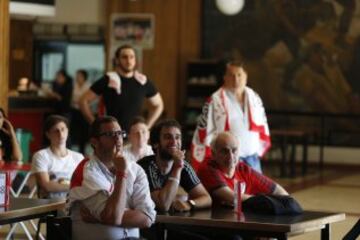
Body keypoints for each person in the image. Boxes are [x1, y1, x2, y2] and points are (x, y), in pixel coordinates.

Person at [68, 116, 156, 240]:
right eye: (110, 134)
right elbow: (113, 217)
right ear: (94, 142)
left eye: (119, 133)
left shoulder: (135, 169)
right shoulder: (86, 170)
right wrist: (121, 174)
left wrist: (99, 219)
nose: (117, 138)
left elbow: (148, 218)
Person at [191, 61, 271, 173]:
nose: (236, 79)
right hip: (228, 159)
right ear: (225, 78)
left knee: (256, 190)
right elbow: (204, 131)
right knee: (230, 190)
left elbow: (262, 124)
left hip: (253, 158)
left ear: (246, 76)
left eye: (239, 75)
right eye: (231, 75)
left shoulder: (254, 97)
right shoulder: (215, 100)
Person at [80, 44, 164, 132]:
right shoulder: (108, 80)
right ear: (117, 60)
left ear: (135, 60)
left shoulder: (142, 81)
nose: (129, 61)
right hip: (111, 133)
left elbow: (159, 105)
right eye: (124, 57)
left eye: (132, 57)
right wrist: (95, 124)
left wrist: (147, 127)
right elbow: (83, 101)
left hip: (135, 135)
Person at [138, 119, 211, 212]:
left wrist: (189, 203)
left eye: (177, 137)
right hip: (141, 223)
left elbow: (207, 198)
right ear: (156, 144)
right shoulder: (146, 166)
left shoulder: (183, 166)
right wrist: (177, 168)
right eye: (168, 137)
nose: (174, 142)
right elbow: (163, 205)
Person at [198, 132, 288, 207]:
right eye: (224, 151)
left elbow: (279, 192)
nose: (230, 156)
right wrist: (266, 202)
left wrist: (286, 203)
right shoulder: (208, 168)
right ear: (213, 154)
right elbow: (232, 197)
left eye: (234, 150)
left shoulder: (243, 169)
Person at [31, 115, 83, 199]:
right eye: (56, 131)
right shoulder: (41, 156)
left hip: (75, 204)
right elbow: (46, 186)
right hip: (50, 206)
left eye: (63, 129)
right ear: (48, 134)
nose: (60, 134)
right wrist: (74, 186)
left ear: (67, 131)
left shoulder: (78, 157)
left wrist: (56, 185)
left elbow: (85, 183)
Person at [71, 69, 91, 153]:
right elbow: (72, 99)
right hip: (74, 110)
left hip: (84, 111)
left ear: (83, 77)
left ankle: (82, 150)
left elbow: (87, 100)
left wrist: (79, 101)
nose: (77, 77)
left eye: (79, 76)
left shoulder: (88, 86)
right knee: (74, 131)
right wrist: (78, 100)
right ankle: (74, 149)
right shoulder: (74, 85)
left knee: (83, 132)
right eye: (76, 76)